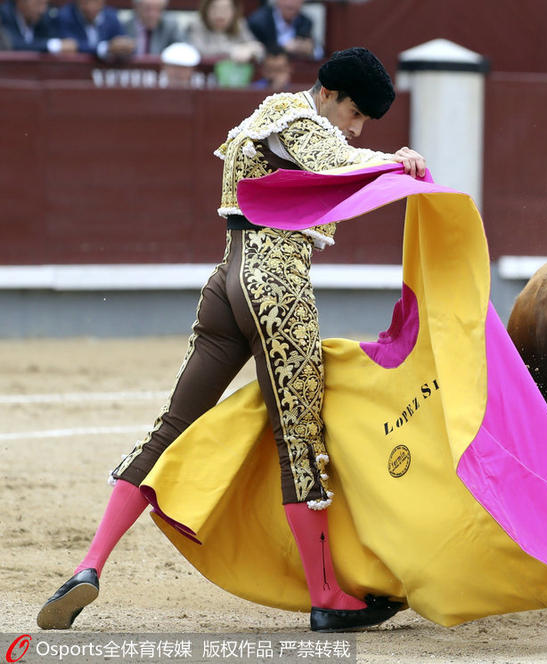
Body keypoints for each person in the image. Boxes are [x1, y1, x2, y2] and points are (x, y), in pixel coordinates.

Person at [36, 46, 425, 634]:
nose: (355, 128)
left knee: (172, 426)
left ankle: (88, 566)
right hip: (275, 284)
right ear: (331, 96)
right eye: (356, 114)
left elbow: (325, 158)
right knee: (300, 437)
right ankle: (326, 595)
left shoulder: (266, 113)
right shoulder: (304, 123)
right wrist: (398, 162)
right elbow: (336, 162)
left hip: (226, 281)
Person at [185, 0, 263, 63]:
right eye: (214, 8)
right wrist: (233, 51)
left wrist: (249, 50)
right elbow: (198, 50)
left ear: (234, 10)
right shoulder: (197, 25)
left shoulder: (239, 25)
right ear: (206, 9)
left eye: (225, 8)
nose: (220, 14)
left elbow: (258, 48)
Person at [57, 0, 134, 61]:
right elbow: (72, 46)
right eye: (85, 2)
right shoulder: (65, 16)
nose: (90, 7)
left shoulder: (111, 16)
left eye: (95, 1)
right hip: (75, 73)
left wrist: (124, 46)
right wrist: (106, 48)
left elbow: (123, 43)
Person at [247, 0, 316, 59]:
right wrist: (284, 49)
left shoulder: (306, 22)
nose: (290, 3)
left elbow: (317, 53)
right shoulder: (258, 22)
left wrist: (309, 48)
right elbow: (257, 51)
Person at [0, 0, 76, 52]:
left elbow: (55, 38)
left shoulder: (43, 18)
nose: (42, 10)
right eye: (38, 3)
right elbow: (11, 44)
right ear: (20, 1)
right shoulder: (3, 15)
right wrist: (53, 45)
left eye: (45, 4)